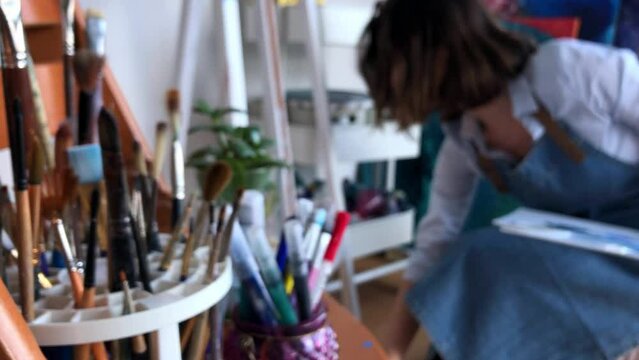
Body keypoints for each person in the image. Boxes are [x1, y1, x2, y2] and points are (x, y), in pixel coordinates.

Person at [358, 0, 639, 359]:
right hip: (581, 257)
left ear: (442, 53)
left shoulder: (567, 70)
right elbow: (435, 241)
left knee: (485, 257)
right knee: (472, 259)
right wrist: (390, 348)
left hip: (629, 253)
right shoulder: (466, 138)